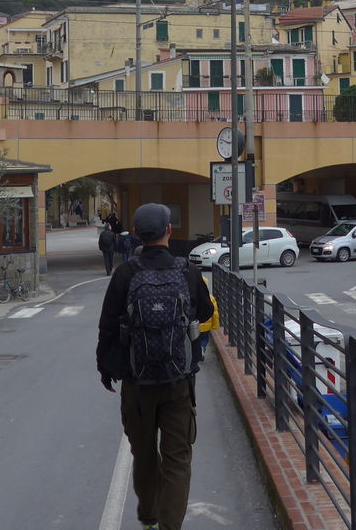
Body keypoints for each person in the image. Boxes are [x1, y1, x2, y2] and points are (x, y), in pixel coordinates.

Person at [97, 203, 213, 530]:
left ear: (137, 234)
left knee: (145, 457)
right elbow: (205, 312)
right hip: (178, 382)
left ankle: (149, 520)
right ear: (169, 231)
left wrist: (106, 369)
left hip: (137, 383)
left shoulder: (125, 274)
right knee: (178, 460)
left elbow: (107, 327)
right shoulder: (187, 271)